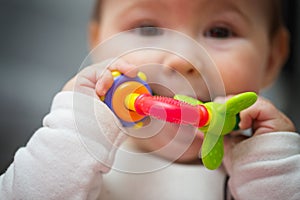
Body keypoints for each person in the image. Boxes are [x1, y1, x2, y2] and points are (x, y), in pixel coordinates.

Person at [1, 0, 299, 199]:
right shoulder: (76, 159)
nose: (182, 60)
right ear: (98, 43)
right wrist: (73, 129)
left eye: (220, 32)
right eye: (148, 28)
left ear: (272, 58)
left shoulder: (264, 174)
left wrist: (275, 165)